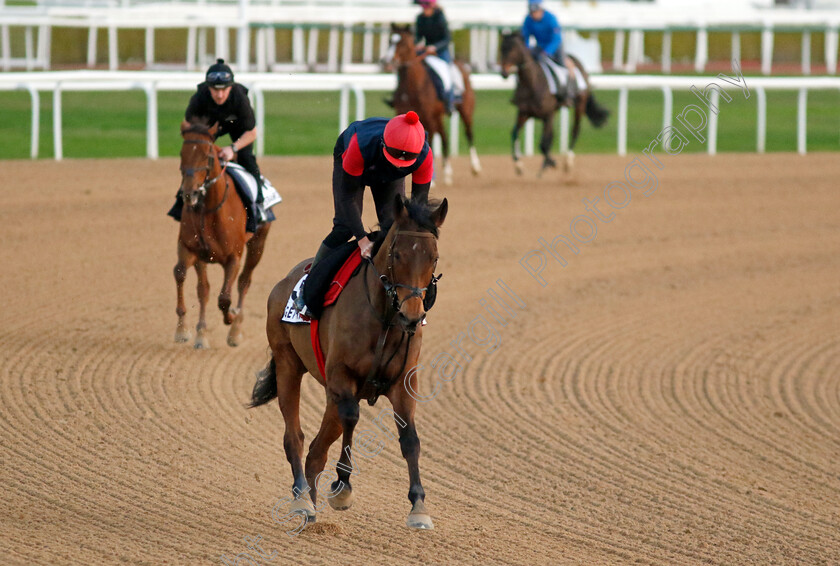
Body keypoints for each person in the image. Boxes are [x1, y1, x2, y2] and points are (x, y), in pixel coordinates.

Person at [293, 111, 434, 316]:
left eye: (404, 161)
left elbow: (418, 210)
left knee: (395, 227)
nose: (397, 165)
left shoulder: (424, 155)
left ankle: (403, 296)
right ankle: (308, 291)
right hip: (357, 159)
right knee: (343, 228)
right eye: (395, 159)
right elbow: (347, 198)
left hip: (383, 165)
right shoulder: (359, 146)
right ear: (384, 146)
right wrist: (361, 239)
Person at [168, 58, 263, 231]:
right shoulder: (199, 97)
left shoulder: (240, 99)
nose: (219, 95)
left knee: (248, 160)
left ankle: (258, 207)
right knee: (194, 163)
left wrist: (232, 149)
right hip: (209, 128)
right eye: (214, 90)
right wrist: (203, 147)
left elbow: (252, 133)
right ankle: (180, 203)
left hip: (238, 129)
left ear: (231, 87)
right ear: (208, 88)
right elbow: (188, 126)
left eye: (224, 90)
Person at [414, 0, 460, 113]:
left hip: (440, 51)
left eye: (425, 6)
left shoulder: (440, 17)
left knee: (446, 71)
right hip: (426, 50)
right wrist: (417, 45)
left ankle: (449, 99)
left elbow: (447, 39)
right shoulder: (420, 18)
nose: (424, 9)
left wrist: (435, 47)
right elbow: (418, 36)